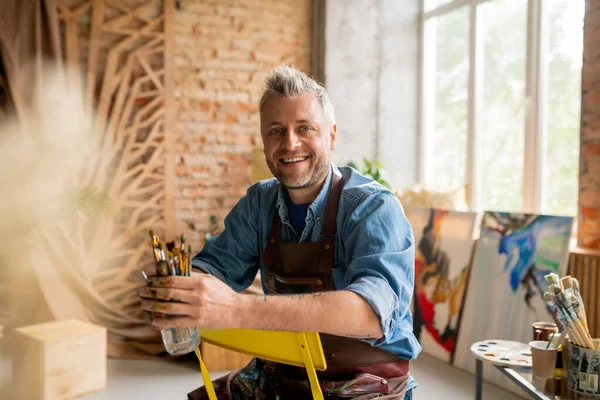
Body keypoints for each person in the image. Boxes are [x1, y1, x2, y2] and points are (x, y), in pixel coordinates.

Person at [139, 66, 421, 399]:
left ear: (331, 135)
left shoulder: (373, 208)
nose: (289, 143)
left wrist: (235, 309)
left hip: (365, 383)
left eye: (305, 128)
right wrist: (180, 294)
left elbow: (371, 313)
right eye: (276, 130)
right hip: (281, 373)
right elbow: (214, 270)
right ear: (262, 139)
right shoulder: (260, 203)